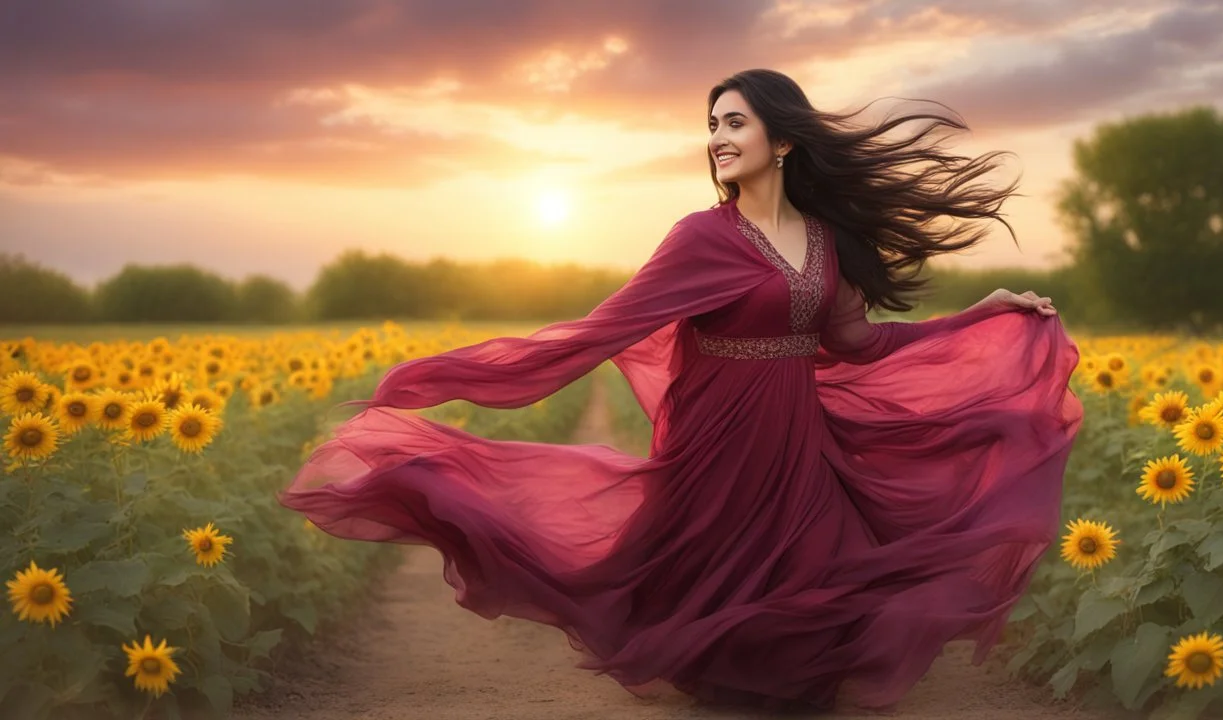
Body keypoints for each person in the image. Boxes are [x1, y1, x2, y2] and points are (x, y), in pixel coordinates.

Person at [277, 68, 1083, 712]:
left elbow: (856, 343)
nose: (718, 138)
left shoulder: (829, 241)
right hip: (716, 435)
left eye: (735, 121)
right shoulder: (701, 237)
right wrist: (444, 376)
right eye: (713, 125)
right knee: (712, 595)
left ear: (784, 139)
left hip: (798, 435)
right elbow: (603, 329)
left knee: (812, 593)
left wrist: (976, 317)